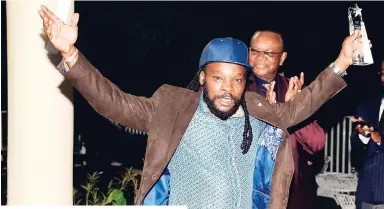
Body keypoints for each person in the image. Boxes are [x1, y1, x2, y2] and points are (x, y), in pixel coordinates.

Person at [39, 5, 363, 209]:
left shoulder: (257, 109)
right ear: (203, 77)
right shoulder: (174, 107)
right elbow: (115, 103)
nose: (228, 88)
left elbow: (298, 109)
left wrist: (343, 61)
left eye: (237, 79)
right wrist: (70, 55)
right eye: (218, 78)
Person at [247, 30, 326, 209]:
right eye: (255, 51)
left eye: (268, 53)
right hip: (248, 191)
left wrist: (293, 108)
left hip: (292, 194)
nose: (260, 57)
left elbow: (317, 142)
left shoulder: (295, 89)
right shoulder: (237, 88)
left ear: (282, 58)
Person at [350, 60, 384, 209]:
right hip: (366, 195)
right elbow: (355, 157)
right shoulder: (365, 107)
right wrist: (363, 137)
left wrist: (379, 139)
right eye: (383, 73)